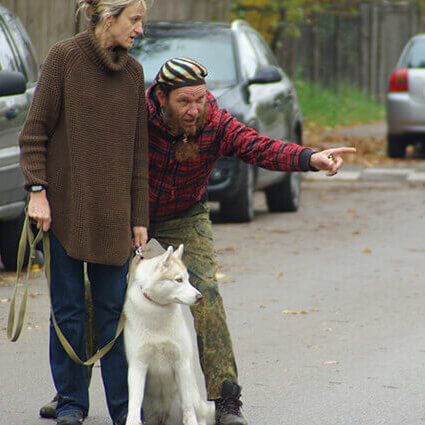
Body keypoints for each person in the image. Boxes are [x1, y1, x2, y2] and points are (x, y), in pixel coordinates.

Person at [40, 57, 356, 425]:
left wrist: (309, 158)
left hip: (185, 212)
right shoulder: (135, 115)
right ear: (161, 97)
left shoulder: (216, 123)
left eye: (201, 100)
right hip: (130, 214)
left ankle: (225, 400)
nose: (194, 110)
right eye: (184, 102)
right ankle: (69, 395)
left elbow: (259, 147)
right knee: (100, 297)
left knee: (206, 292)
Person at [19, 1, 149, 424]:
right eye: (135, 20)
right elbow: (34, 131)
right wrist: (37, 192)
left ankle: (124, 410)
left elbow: (139, 155)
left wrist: (139, 219)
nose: (140, 30)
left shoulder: (134, 74)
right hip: (64, 212)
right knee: (70, 310)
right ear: (108, 18)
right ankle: (72, 402)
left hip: (115, 218)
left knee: (114, 316)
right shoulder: (65, 58)